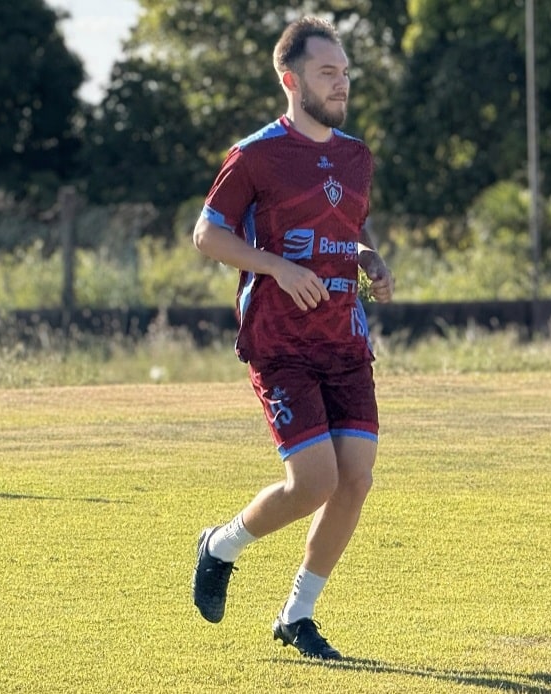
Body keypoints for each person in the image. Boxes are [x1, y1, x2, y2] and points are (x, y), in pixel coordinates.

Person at [190, 16, 394, 661]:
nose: (341, 84)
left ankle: (297, 615)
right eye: (327, 73)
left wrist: (368, 258)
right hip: (280, 344)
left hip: (344, 341)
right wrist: (276, 267)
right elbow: (207, 235)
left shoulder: (356, 156)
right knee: (313, 483)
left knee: (355, 479)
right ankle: (220, 545)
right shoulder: (255, 155)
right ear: (291, 80)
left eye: (345, 73)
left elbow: (346, 229)